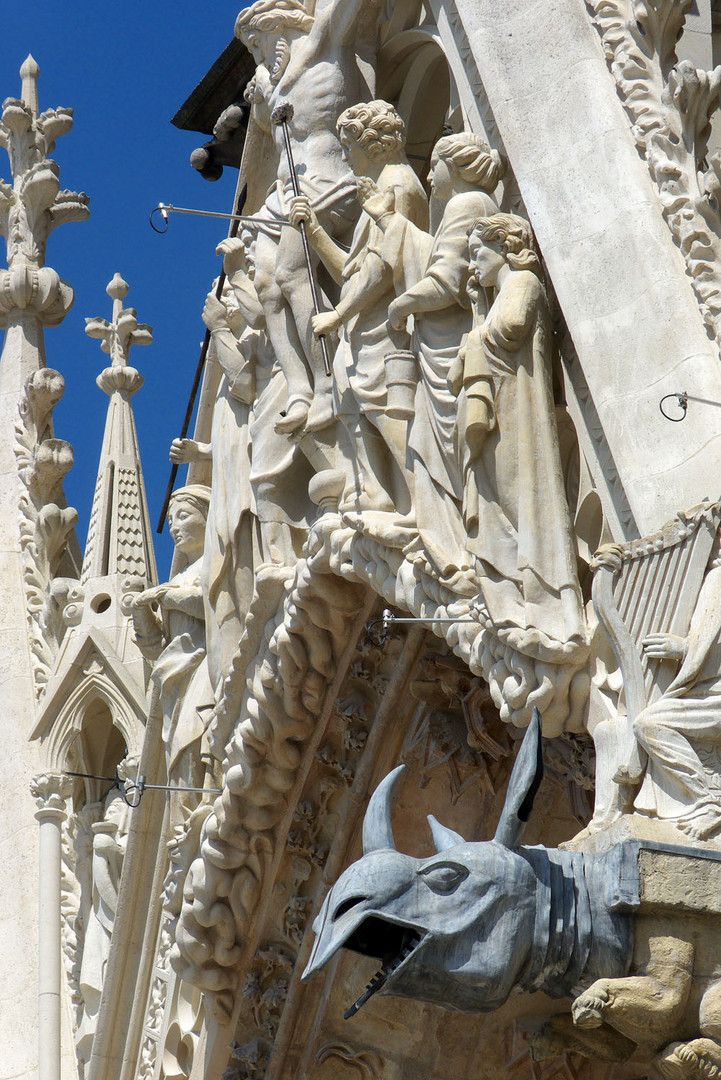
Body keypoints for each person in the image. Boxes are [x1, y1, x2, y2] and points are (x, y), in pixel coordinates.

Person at [357, 133, 505, 582]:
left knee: (446, 444)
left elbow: (448, 281)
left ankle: (457, 542)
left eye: (434, 165)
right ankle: (441, 534)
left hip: (449, 346)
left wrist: (401, 306)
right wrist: (388, 220)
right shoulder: (463, 208)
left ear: (454, 166)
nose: (427, 174)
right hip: (437, 345)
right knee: (428, 440)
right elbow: (433, 259)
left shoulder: (468, 205)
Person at [236, 0, 381, 434]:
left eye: (259, 44)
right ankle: (298, 389)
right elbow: (266, 124)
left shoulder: (323, 45)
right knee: (266, 282)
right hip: (285, 195)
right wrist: (258, 95)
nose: (259, 57)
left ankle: (324, 384)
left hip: (331, 181)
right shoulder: (273, 83)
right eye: (253, 51)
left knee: (290, 272)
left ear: (277, 26)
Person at [289, 100, 428, 514]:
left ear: (373, 144)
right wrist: (313, 232)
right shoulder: (378, 190)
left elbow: (385, 267)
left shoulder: (399, 186)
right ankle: (378, 493)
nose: (345, 155)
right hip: (364, 324)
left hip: (385, 325)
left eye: (349, 145)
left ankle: (420, 501)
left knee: (390, 414)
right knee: (355, 408)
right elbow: (354, 270)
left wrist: (339, 313)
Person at [457, 213, 584, 648]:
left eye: (476, 253)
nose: (472, 265)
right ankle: (517, 592)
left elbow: (508, 330)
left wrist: (478, 327)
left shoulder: (524, 283)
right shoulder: (503, 291)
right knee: (502, 499)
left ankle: (547, 600)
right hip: (505, 410)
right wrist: (477, 310)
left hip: (519, 414)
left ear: (505, 248)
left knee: (522, 499)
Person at [631, 539, 721, 839]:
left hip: (715, 696)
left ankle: (710, 800)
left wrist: (683, 648)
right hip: (706, 690)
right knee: (648, 723)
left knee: (650, 724)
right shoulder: (714, 577)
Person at [132, 486, 213, 792]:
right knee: (179, 751)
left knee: (195, 736)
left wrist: (166, 596)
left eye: (184, 516)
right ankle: (186, 825)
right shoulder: (178, 578)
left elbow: (218, 606)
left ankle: (203, 803)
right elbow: (156, 648)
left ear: (207, 515)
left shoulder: (217, 561)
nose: (175, 527)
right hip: (175, 678)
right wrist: (141, 609)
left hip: (205, 664)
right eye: (170, 521)